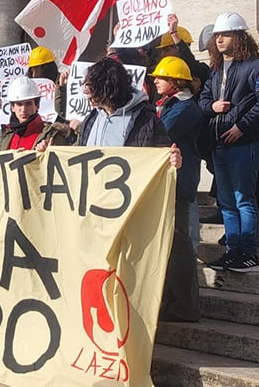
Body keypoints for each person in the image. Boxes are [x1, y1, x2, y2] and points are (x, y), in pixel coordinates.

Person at [76, 59, 196, 322]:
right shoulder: (90, 120)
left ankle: (179, 305)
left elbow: (164, 156)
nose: (85, 91)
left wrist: (174, 161)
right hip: (98, 205)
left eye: (90, 85)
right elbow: (76, 156)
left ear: (107, 87)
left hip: (137, 203)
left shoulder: (146, 120)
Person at [199, 12, 259, 273]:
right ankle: (232, 251)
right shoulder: (215, 71)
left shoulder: (256, 67)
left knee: (244, 199)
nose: (219, 39)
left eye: (225, 34)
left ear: (239, 37)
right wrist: (211, 106)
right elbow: (202, 101)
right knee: (227, 202)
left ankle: (248, 253)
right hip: (219, 144)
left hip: (244, 145)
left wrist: (242, 126)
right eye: (217, 36)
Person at [151, 57, 205, 254]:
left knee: (186, 222)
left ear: (176, 81)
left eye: (161, 77)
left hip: (184, 175)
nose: (155, 80)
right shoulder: (171, 104)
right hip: (176, 173)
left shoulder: (184, 108)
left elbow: (162, 131)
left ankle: (190, 259)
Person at [0, 77, 71, 151]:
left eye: (28, 104)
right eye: (19, 104)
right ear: (12, 107)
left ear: (37, 106)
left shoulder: (51, 135)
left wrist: (47, 153)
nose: (23, 110)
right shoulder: (6, 135)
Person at [154, 14, 210, 94]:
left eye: (167, 50)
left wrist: (174, 34)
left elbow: (188, 58)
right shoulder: (161, 74)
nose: (162, 55)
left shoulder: (199, 70)